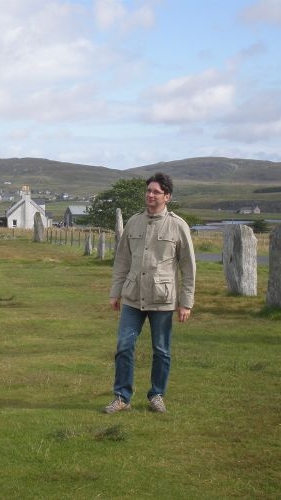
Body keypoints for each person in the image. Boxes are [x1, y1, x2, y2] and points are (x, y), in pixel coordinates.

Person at [104, 173, 196, 413]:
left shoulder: (178, 225)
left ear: (167, 196)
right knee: (124, 346)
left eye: (156, 191)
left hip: (163, 299)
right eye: (148, 191)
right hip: (133, 297)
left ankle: (157, 395)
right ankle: (122, 397)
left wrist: (186, 303)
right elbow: (122, 261)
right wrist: (116, 292)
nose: (150, 195)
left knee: (162, 350)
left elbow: (188, 267)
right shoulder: (134, 222)